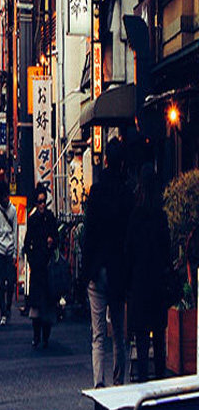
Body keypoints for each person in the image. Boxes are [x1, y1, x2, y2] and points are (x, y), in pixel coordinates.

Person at [83, 137, 133, 386]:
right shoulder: (127, 193)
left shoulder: (97, 192)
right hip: (118, 270)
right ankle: (118, 381)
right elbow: (129, 235)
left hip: (97, 269)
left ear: (105, 161)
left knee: (98, 333)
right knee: (120, 333)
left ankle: (98, 383)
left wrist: (86, 271)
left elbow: (88, 233)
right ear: (122, 163)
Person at [125, 163, 170, 382]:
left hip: (140, 284)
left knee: (142, 338)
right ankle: (160, 378)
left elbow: (129, 252)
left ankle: (142, 382)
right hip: (158, 284)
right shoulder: (161, 217)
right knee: (159, 336)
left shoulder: (135, 217)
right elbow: (167, 252)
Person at [22, 183, 58, 347]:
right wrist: (32, 259)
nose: (42, 204)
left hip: (48, 267)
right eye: (39, 201)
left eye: (44, 201)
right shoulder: (33, 219)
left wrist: (52, 242)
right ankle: (37, 336)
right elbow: (27, 242)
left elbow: (57, 239)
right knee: (36, 306)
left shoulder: (50, 218)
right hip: (38, 267)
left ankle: (45, 337)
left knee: (48, 306)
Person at [0, 178, 17, 326]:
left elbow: (15, 231)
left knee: (11, 282)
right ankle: (3, 311)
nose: (6, 198)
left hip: (9, 249)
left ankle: (7, 307)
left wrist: (14, 253)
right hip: (0, 250)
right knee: (1, 283)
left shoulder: (13, 210)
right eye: (3, 196)